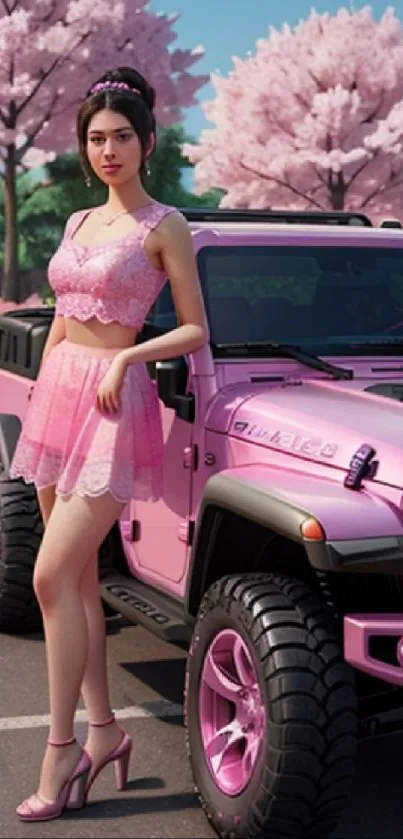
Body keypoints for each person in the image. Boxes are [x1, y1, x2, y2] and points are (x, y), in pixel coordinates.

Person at [10, 65, 209, 822]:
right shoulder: (74, 223)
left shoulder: (164, 226)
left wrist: (129, 355)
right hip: (58, 393)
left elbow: (194, 328)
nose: (108, 149)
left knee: (50, 576)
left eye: (122, 136)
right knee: (81, 583)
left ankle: (58, 750)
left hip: (112, 399)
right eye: (95, 138)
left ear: (147, 141)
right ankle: (103, 733)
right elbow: (61, 314)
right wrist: (37, 393)